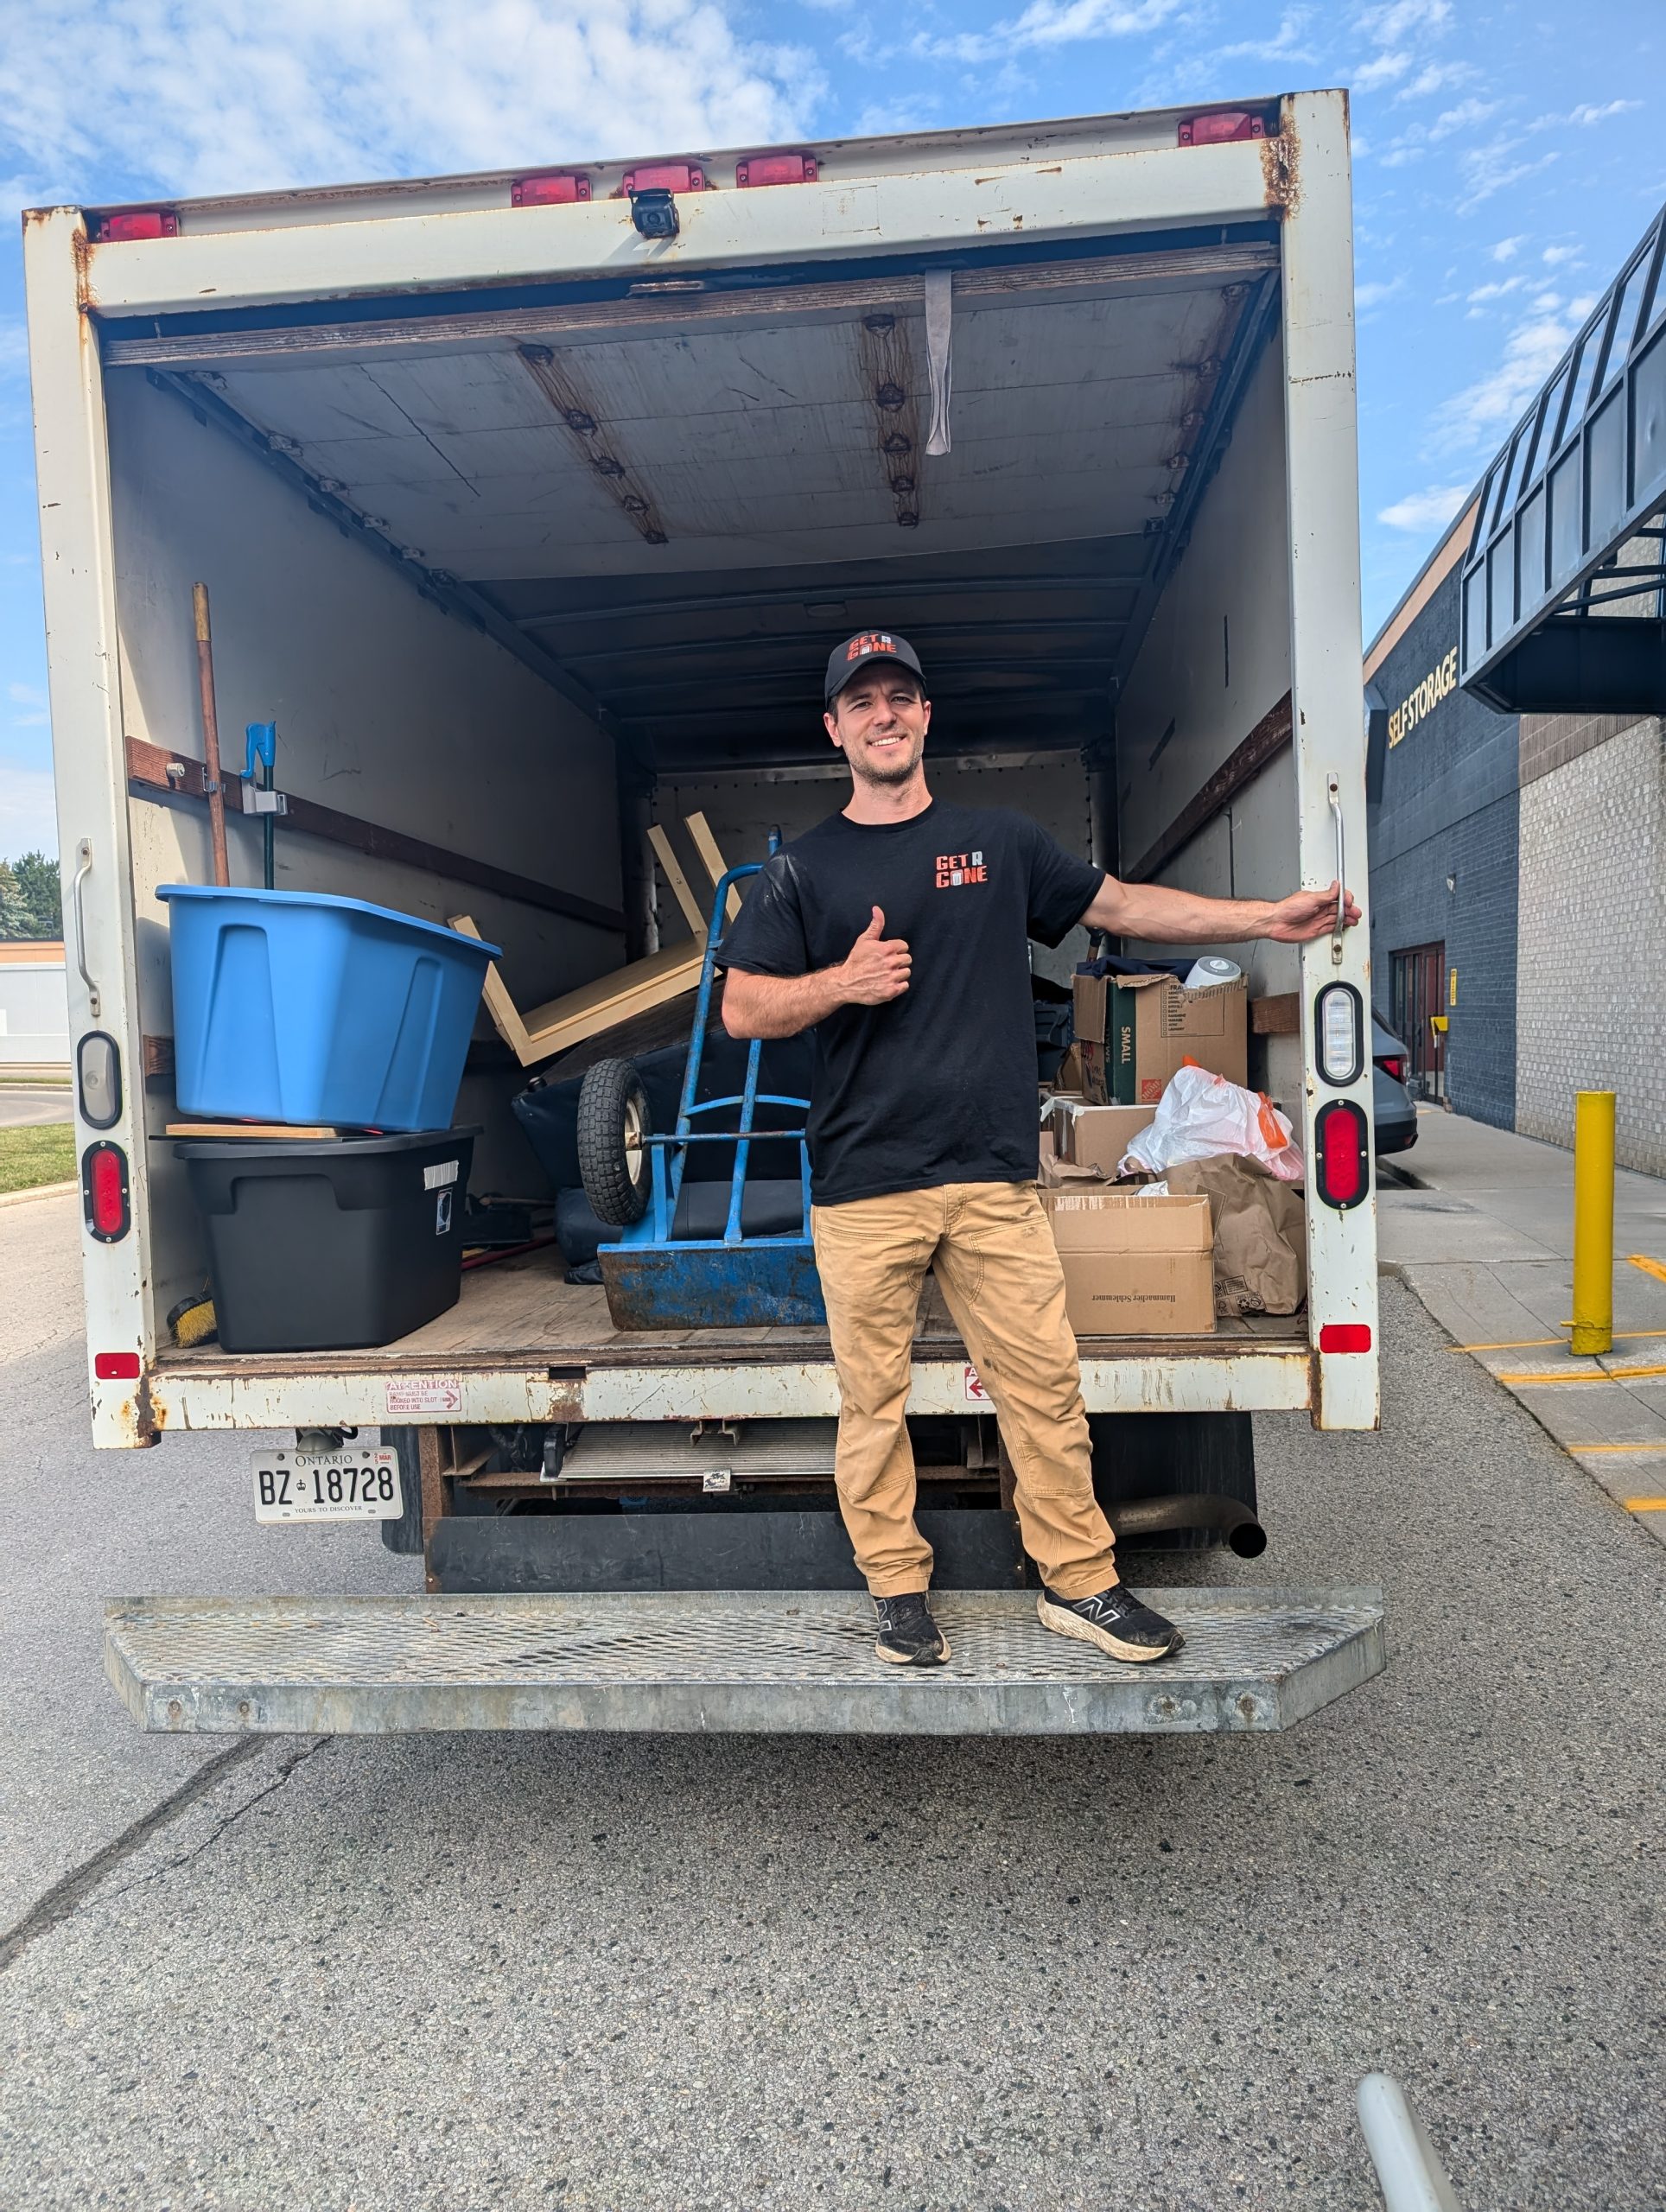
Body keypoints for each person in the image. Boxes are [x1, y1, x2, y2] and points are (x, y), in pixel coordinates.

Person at [719, 631, 1360, 1670]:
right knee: (871, 1402)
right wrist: (841, 983)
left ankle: (1079, 1583)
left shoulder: (999, 841)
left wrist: (1263, 921)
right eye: (862, 701)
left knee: (1043, 1386)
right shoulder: (801, 872)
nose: (884, 714)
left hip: (988, 1182)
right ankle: (895, 1590)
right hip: (862, 1188)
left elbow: (1119, 905)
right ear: (832, 729)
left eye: (900, 697)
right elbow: (742, 1008)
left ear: (926, 717)